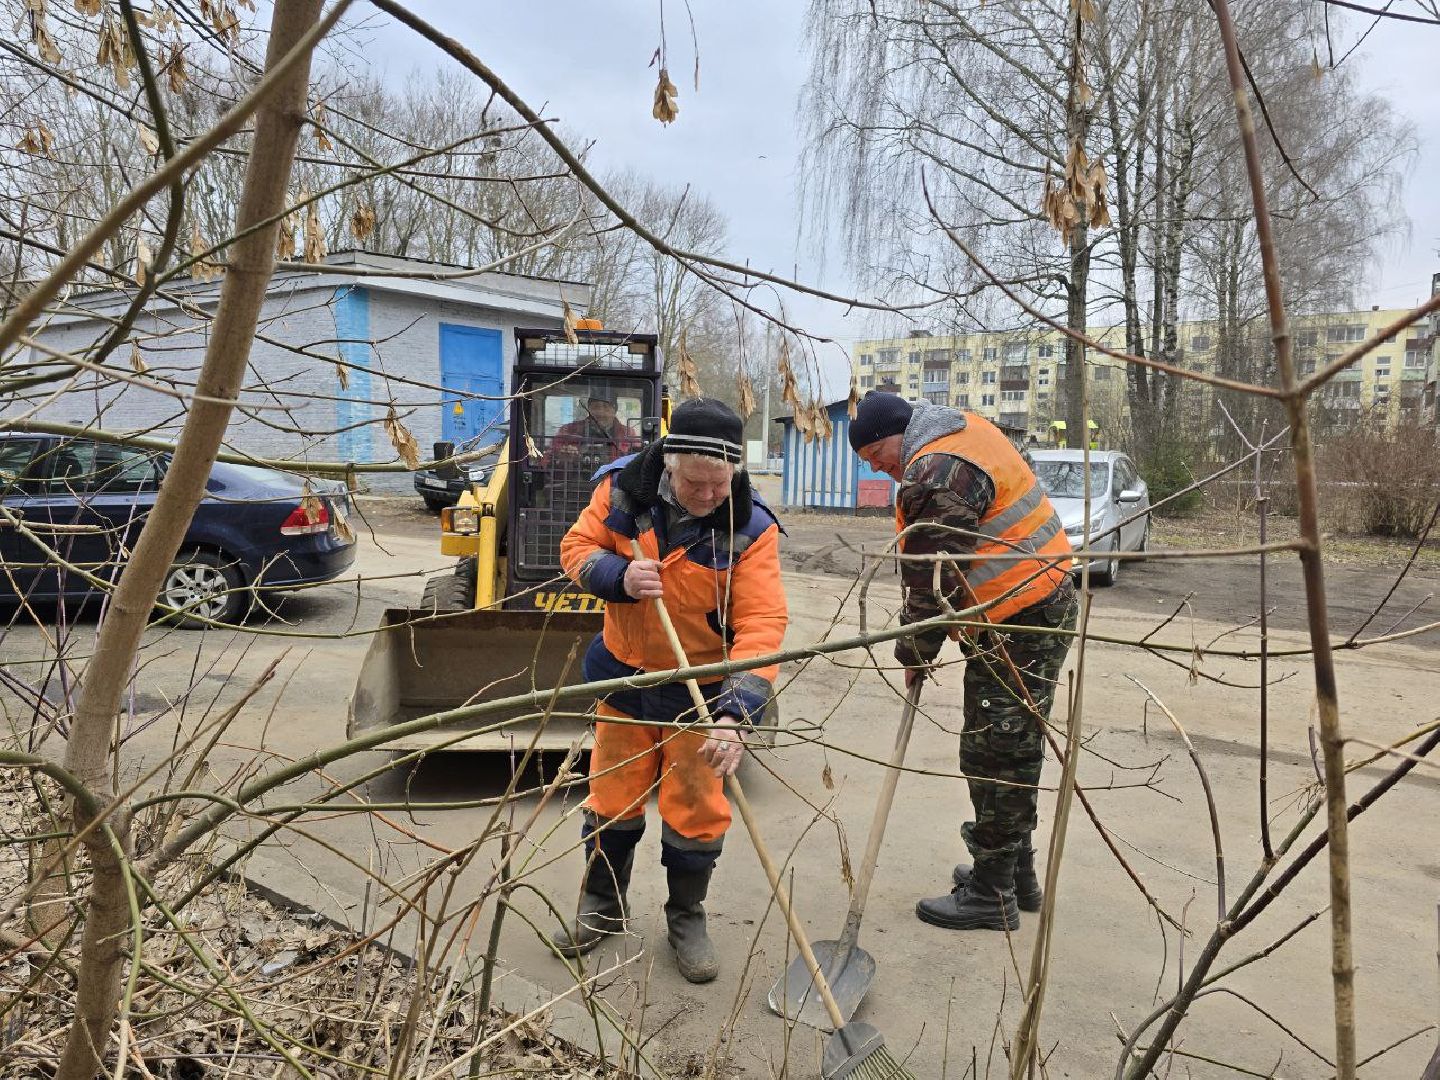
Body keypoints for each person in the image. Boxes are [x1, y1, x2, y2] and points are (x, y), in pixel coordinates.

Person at [551, 397, 787, 981]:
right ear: (669, 462)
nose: (709, 495)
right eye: (695, 483)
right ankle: (603, 907)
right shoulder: (622, 494)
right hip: (626, 680)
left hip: (699, 694)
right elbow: (575, 550)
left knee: (696, 809)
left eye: (719, 483)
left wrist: (735, 714)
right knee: (611, 799)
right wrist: (618, 576)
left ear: (734, 471)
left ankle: (686, 915)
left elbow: (763, 622)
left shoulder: (750, 527)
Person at [848, 391, 1076, 932]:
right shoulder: (960, 432)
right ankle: (1012, 871)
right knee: (1012, 742)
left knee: (995, 749)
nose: (876, 466)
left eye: (874, 453)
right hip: (1029, 606)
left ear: (897, 434)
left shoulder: (937, 470)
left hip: (1020, 617)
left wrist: (915, 651)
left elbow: (933, 577)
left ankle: (991, 893)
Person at [546, 387, 642, 464]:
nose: (601, 412)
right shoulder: (568, 430)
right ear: (589, 409)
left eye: (606, 407)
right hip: (573, 484)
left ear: (614, 410)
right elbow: (546, 459)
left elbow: (639, 461)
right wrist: (561, 455)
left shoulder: (628, 434)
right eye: (596, 407)